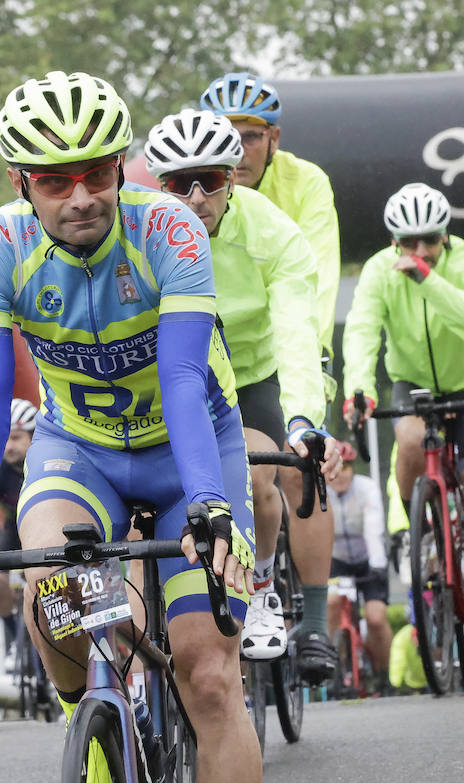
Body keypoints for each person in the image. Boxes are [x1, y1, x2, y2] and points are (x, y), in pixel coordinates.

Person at [0, 71, 264, 783]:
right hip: (82, 453)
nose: (81, 196)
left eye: (97, 173)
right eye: (54, 179)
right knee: (55, 584)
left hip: (190, 452)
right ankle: (93, 726)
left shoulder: (170, 230)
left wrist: (212, 506)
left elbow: (183, 377)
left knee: (208, 673)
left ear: (120, 168)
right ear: (19, 185)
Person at [143, 108, 341, 683]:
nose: (197, 196)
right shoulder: (141, 232)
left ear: (234, 176)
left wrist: (304, 418)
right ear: (161, 186)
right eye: (181, 184)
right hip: (174, 374)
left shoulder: (274, 233)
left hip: (256, 373)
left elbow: (298, 334)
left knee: (260, 473)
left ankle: (263, 586)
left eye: (212, 178)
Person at [342, 182, 464, 649]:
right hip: (413, 383)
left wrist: (426, 279)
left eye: (430, 241)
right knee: (411, 442)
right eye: (409, 243)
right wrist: (358, 385)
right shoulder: (379, 269)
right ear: (393, 241)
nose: (421, 251)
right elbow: (360, 330)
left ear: (445, 235)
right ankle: (420, 531)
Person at [201, 72, 341, 397]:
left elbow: (318, 275)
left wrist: (312, 351)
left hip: (289, 346)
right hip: (215, 353)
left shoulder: (307, 181)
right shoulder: (192, 187)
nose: (236, 150)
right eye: (225, 136)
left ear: (274, 138)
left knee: (299, 443)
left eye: (250, 137)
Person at [325, 441, 393, 686]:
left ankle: (383, 675)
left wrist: (376, 565)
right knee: (332, 603)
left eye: (346, 469)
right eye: (337, 471)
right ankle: (333, 666)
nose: (341, 476)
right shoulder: (322, 491)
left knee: (375, 619)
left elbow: (373, 529)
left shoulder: (367, 488)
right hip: (338, 560)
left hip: (368, 560)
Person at [0, 398, 38, 670]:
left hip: (42, 529)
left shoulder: (43, 461)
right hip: (13, 530)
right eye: (5, 438)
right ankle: (12, 631)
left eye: (16, 438)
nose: (8, 446)